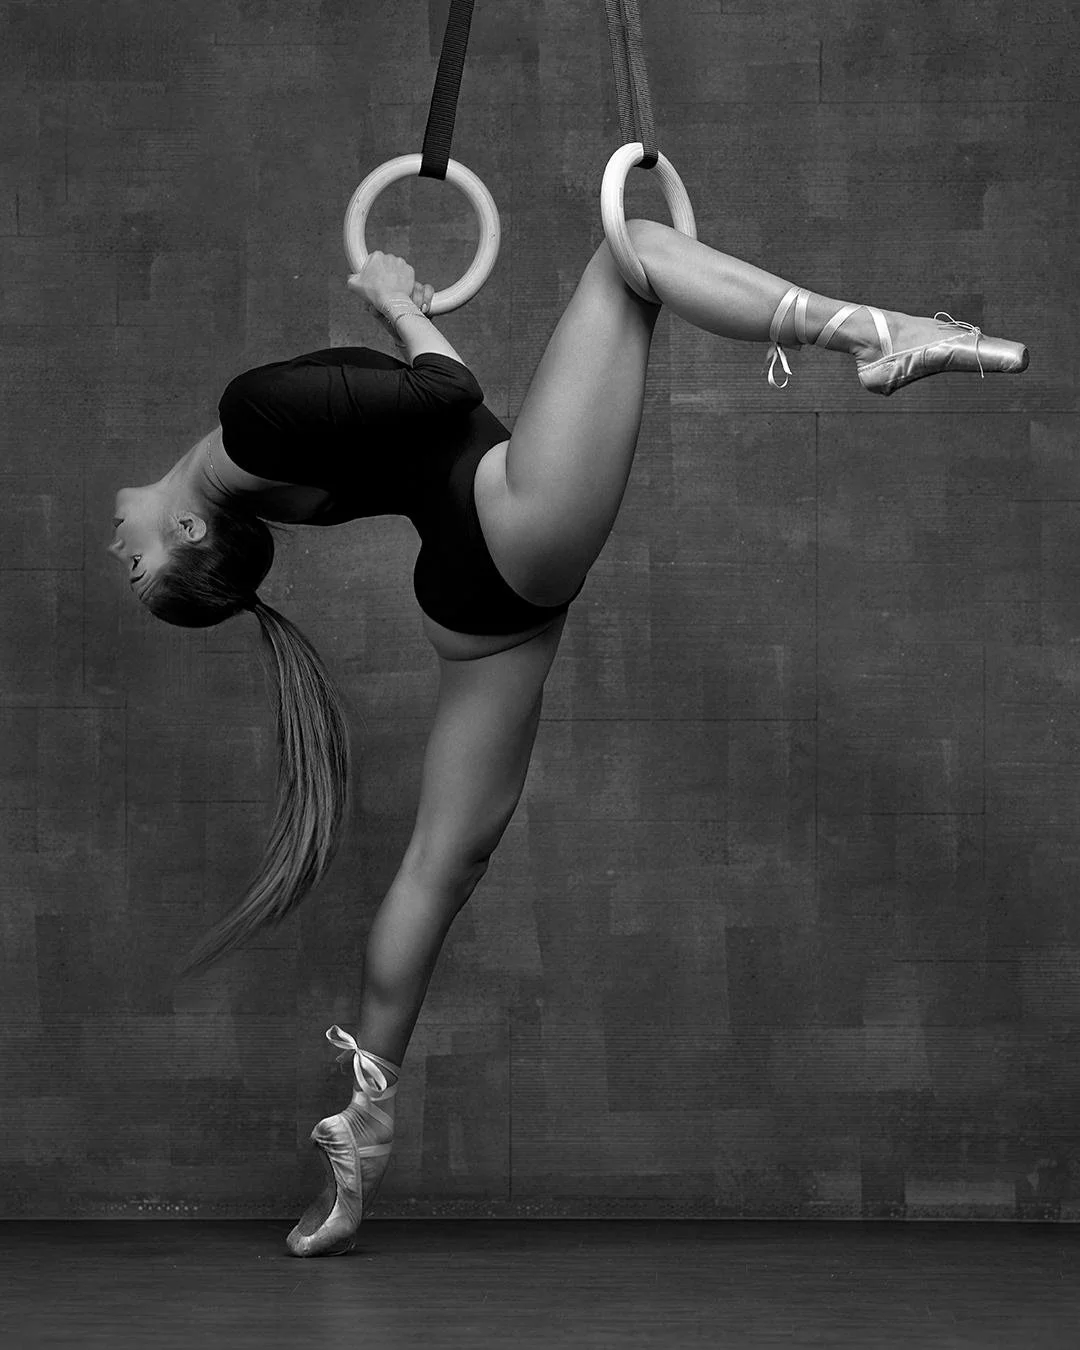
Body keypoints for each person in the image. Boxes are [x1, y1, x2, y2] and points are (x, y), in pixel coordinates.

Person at [107, 219, 1028, 1255]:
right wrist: (397, 300)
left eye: (128, 568)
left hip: (476, 584)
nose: (117, 549)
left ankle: (360, 1133)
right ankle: (872, 334)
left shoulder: (259, 465)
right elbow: (447, 394)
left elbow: (418, 422)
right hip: (512, 516)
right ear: (191, 531)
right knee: (634, 253)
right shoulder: (249, 422)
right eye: (139, 566)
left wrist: (405, 319)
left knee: (441, 864)